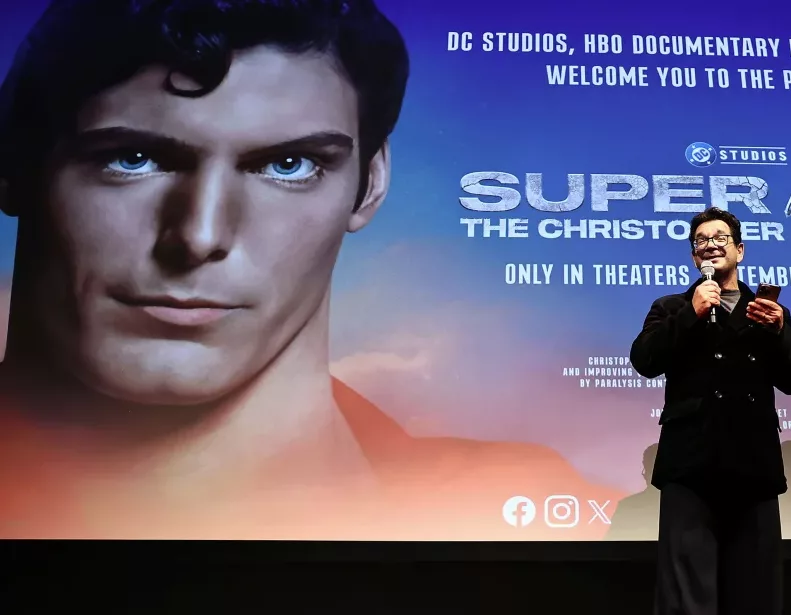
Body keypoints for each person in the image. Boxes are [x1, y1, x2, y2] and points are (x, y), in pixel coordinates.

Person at [0, 0, 619, 541]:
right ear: (13, 161)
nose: (199, 236)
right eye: (132, 159)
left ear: (370, 184)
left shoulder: (542, 512)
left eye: (290, 165)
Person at [630, 206, 791, 615]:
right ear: (695, 257)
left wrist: (781, 330)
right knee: (686, 594)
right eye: (700, 241)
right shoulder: (671, 306)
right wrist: (690, 313)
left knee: (755, 596)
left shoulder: (767, 311)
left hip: (753, 464)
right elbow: (644, 361)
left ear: (740, 250)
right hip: (691, 465)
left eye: (719, 237)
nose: (710, 244)